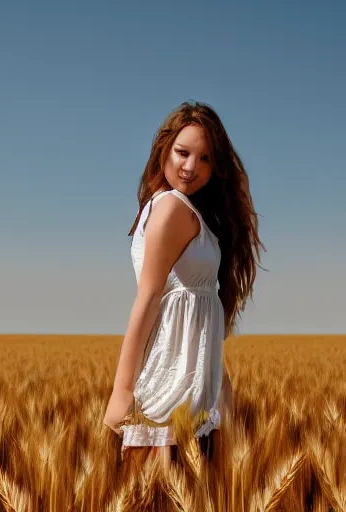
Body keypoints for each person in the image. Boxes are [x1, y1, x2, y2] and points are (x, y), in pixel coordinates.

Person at [103, 100, 264, 472]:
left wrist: (218, 379)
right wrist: (122, 391)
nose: (191, 167)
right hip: (173, 385)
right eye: (182, 152)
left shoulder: (178, 208)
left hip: (192, 383)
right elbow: (148, 300)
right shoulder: (173, 208)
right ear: (164, 148)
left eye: (205, 158)